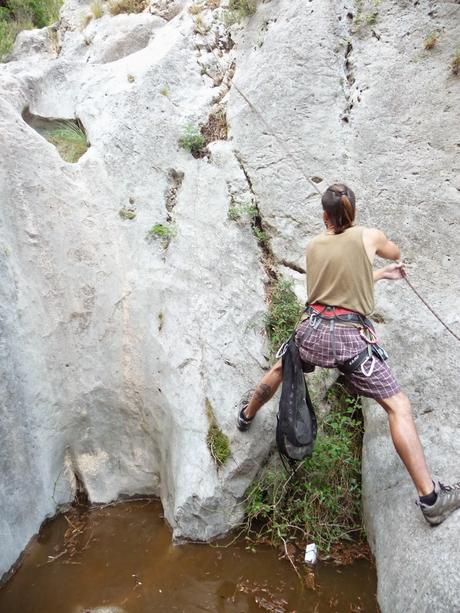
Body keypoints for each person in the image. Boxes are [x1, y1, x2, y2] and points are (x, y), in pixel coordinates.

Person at [236, 183, 460, 526]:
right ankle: (431, 499)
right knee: (397, 406)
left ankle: (246, 414)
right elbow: (393, 251)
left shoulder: (313, 245)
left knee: (283, 365)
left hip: (312, 331)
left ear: (324, 214)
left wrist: (380, 276)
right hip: (350, 341)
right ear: (352, 210)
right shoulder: (369, 236)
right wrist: (384, 259)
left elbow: (337, 286)